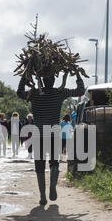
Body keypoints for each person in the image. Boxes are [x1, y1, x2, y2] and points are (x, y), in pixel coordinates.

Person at [17, 73, 84, 206]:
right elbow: (80, 91)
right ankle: (52, 185)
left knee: (39, 165)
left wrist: (25, 76)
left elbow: (19, 92)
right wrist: (77, 74)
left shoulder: (34, 93)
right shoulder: (59, 93)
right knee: (54, 162)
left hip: (39, 132)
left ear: (42, 80)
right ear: (53, 81)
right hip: (54, 132)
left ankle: (42, 196)